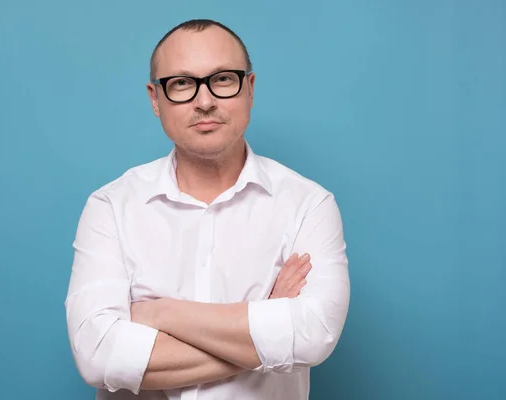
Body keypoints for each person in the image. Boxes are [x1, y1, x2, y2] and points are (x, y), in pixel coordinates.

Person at [65, 19, 350, 400]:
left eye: (222, 79)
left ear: (249, 89)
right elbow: (98, 358)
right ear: (155, 99)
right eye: (182, 83)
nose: (204, 101)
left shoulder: (308, 204)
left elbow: (314, 337)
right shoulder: (110, 206)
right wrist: (266, 321)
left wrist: (159, 314)